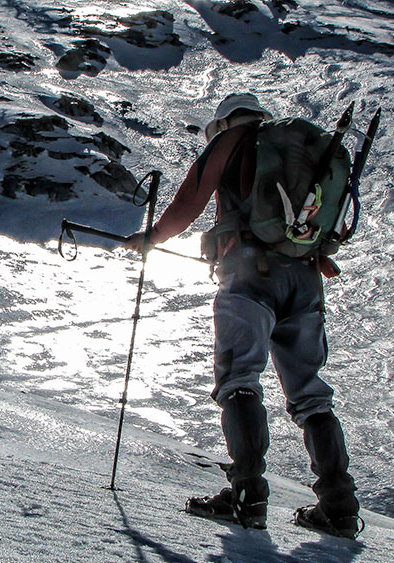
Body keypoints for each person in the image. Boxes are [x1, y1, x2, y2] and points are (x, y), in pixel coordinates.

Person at [125, 93, 361, 538]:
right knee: (311, 395)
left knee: (239, 379)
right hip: (306, 279)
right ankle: (339, 506)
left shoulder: (235, 140)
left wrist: (152, 237)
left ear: (223, 123)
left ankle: (246, 495)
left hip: (250, 274)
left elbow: (192, 197)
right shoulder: (297, 148)